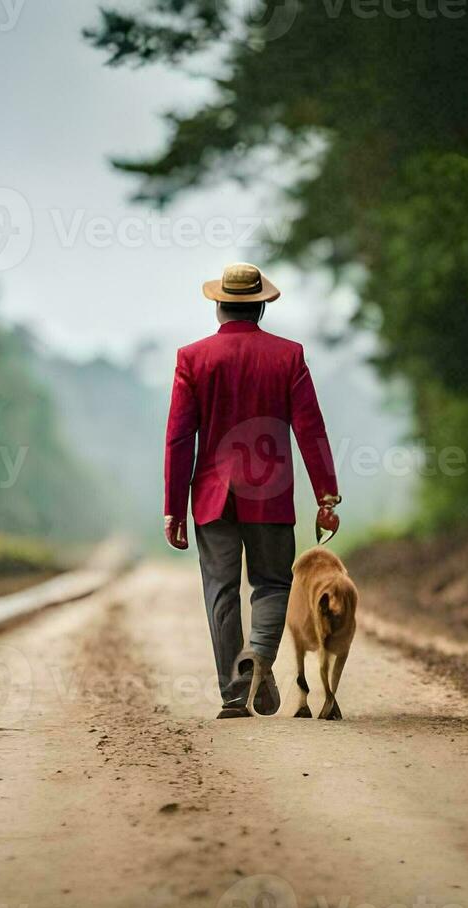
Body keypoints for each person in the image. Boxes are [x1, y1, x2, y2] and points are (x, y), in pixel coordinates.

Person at [163, 263, 341, 719]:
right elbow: (310, 429)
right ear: (260, 307)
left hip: (211, 497)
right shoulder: (288, 356)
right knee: (273, 583)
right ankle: (259, 657)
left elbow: (180, 438)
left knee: (221, 591)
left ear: (219, 306)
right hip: (272, 494)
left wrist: (174, 509)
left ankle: (235, 692)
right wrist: (326, 495)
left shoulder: (193, 358)